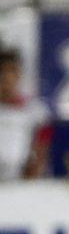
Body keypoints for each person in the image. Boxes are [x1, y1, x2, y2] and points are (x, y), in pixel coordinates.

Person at [0, 46, 52, 181]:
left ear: (18, 74)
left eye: (10, 71)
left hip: (20, 182)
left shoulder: (36, 111)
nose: (5, 78)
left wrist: (29, 181)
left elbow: (41, 151)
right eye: (1, 72)